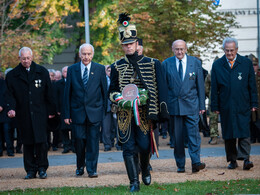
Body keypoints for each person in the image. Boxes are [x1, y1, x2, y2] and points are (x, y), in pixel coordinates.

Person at [109, 13, 169, 192]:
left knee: (144, 146)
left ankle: (144, 168)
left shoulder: (153, 63)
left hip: (145, 113)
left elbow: (161, 88)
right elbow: (111, 90)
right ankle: (133, 182)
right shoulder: (116, 66)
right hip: (125, 114)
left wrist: (161, 110)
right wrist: (119, 99)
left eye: (131, 44)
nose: (128, 47)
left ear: (137, 44)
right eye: (125, 44)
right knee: (127, 147)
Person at [5, 47, 55, 179]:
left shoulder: (42, 72)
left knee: (41, 142)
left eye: (28, 58)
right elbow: (9, 95)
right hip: (23, 114)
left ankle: (42, 168)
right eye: (23, 58)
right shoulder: (12, 75)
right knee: (27, 143)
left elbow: (49, 93)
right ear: (19, 58)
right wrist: (11, 108)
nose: (26, 61)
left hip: (40, 114)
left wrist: (51, 111)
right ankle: (30, 170)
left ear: (32, 57)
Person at [211, 37, 258, 170]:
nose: (229, 53)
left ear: (237, 49)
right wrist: (215, 106)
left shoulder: (246, 63)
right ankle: (232, 160)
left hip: (243, 103)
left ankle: (246, 159)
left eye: (232, 50)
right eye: (227, 50)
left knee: (244, 131)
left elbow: (252, 86)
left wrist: (254, 103)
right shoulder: (217, 65)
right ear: (223, 50)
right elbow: (214, 88)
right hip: (226, 105)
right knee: (229, 133)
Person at [162, 39, 206, 173]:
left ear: (186, 49)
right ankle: (180, 165)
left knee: (194, 136)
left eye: (182, 49)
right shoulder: (166, 63)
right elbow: (164, 87)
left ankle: (196, 162)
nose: (179, 52)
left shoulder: (195, 62)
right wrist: (164, 106)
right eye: (177, 49)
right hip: (174, 107)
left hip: (192, 105)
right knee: (178, 138)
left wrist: (202, 105)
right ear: (173, 49)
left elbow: (200, 86)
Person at [64, 43, 107, 178]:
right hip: (77, 113)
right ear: (80, 54)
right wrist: (67, 114)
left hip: (95, 112)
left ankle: (92, 169)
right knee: (79, 141)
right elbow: (67, 93)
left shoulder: (100, 69)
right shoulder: (72, 70)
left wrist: (103, 112)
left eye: (89, 54)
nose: (86, 56)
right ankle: (79, 165)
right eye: (84, 54)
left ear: (92, 54)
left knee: (93, 142)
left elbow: (104, 91)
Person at [56, 66, 75, 153]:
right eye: (64, 72)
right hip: (63, 109)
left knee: (74, 129)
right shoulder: (58, 84)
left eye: (67, 71)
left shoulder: (75, 81)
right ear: (62, 73)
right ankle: (66, 146)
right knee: (64, 129)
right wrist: (57, 109)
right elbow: (55, 97)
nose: (66, 73)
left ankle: (74, 146)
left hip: (73, 108)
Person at [247, 54, 260, 143]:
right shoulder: (246, 76)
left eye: (255, 65)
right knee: (251, 120)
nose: (253, 67)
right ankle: (252, 137)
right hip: (250, 102)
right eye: (252, 65)